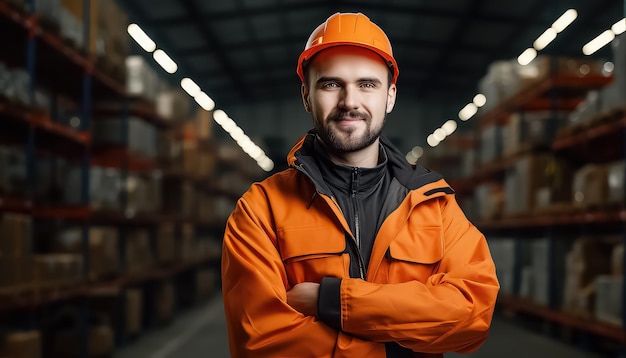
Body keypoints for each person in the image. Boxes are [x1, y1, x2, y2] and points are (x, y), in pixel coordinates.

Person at [221, 12, 499, 358]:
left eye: (367, 84)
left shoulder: (435, 206)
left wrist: (333, 301)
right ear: (307, 96)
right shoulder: (261, 209)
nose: (349, 101)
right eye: (331, 84)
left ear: (391, 96)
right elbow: (261, 343)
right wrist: (398, 343)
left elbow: (472, 315)